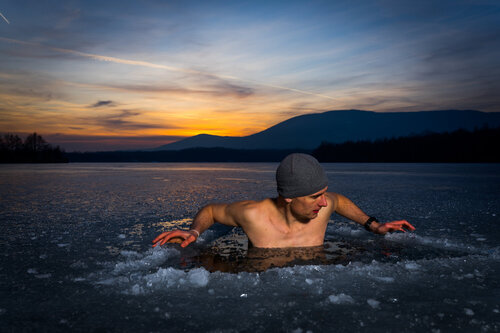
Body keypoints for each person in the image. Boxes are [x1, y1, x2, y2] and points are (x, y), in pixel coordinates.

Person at [153, 153, 415, 249]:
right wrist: (194, 231)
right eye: (315, 196)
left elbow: (339, 201)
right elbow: (211, 210)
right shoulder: (253, 215)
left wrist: (373, 225)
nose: (324, 203)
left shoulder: (324, 208)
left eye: (324, 192)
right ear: (288, 196)